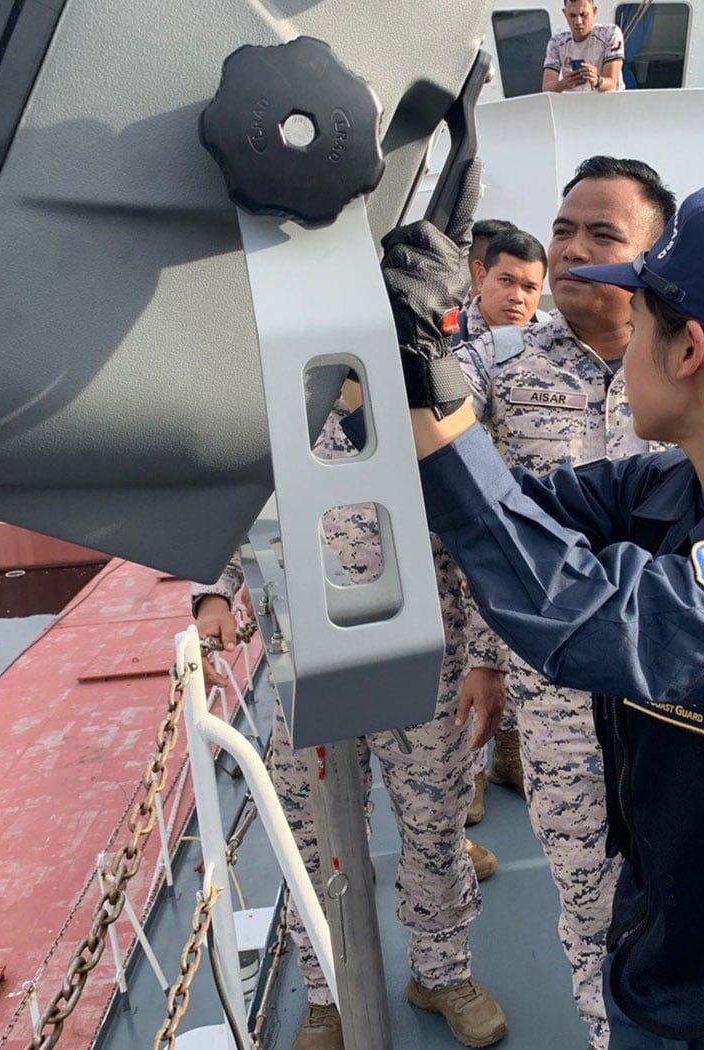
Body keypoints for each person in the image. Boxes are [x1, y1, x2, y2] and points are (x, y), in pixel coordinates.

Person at [378, 180, 704, 1048]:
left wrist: (428, 380)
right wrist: (403, 363)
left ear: (688, 349)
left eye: (639, 324)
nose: (624, 350)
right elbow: (507, 509)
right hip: (667, 954)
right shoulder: (666, 486)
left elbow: (596, 620)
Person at [450, 154, 676, 1050]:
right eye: (564, 230)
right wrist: (485, 657)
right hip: (557, 694)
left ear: (654, 254)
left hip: (681, 690)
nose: (573, 250)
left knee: (688, 888)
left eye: (602, 234)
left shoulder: (698, 362)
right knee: (586, 895)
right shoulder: (498, 361)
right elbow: (472, 510)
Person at [193, 420, 508, 1049]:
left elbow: (481, 528)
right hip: (309, 669)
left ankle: (442, 974)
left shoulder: (424, 400)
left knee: (434, 833)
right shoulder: (272, 406)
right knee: (315, 842)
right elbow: (239, 497)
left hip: (424, 667)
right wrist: (214, 596)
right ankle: (327, 992)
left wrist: (485, 657)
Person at [459, 226, 548, 825]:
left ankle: (509, 758)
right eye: (507, 281)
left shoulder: (546, 346)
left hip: (521, 522)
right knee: (468, 660)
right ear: (480, 276)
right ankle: (467, 780)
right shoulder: (448, 342)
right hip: (460, 529)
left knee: (524, 645)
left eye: (531, 287)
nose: (518, 297)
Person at [542, 0, 624, 93]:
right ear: (565, 14)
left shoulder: (610, 34)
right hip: (574, 101)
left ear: (594, 11)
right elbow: (546, 87)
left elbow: (612, 82)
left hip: (610, 100)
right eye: (572, 15)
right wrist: (563, 84)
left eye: (583, 15)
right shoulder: (557, 42)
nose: (578, 21)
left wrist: (597, 80)